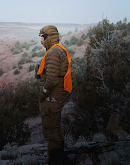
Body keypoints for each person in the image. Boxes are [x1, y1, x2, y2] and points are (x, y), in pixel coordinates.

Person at [36, 25, 72, 164]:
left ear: (49, 38)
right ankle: (59, 158)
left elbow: (51, 80)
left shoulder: (53, 52)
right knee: (55, 129)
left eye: (43, 38)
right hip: (56, 97)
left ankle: (54, 161)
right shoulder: (56, 50)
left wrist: (43, 94)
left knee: (51, 131)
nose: (41, 41)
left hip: (52, 98)